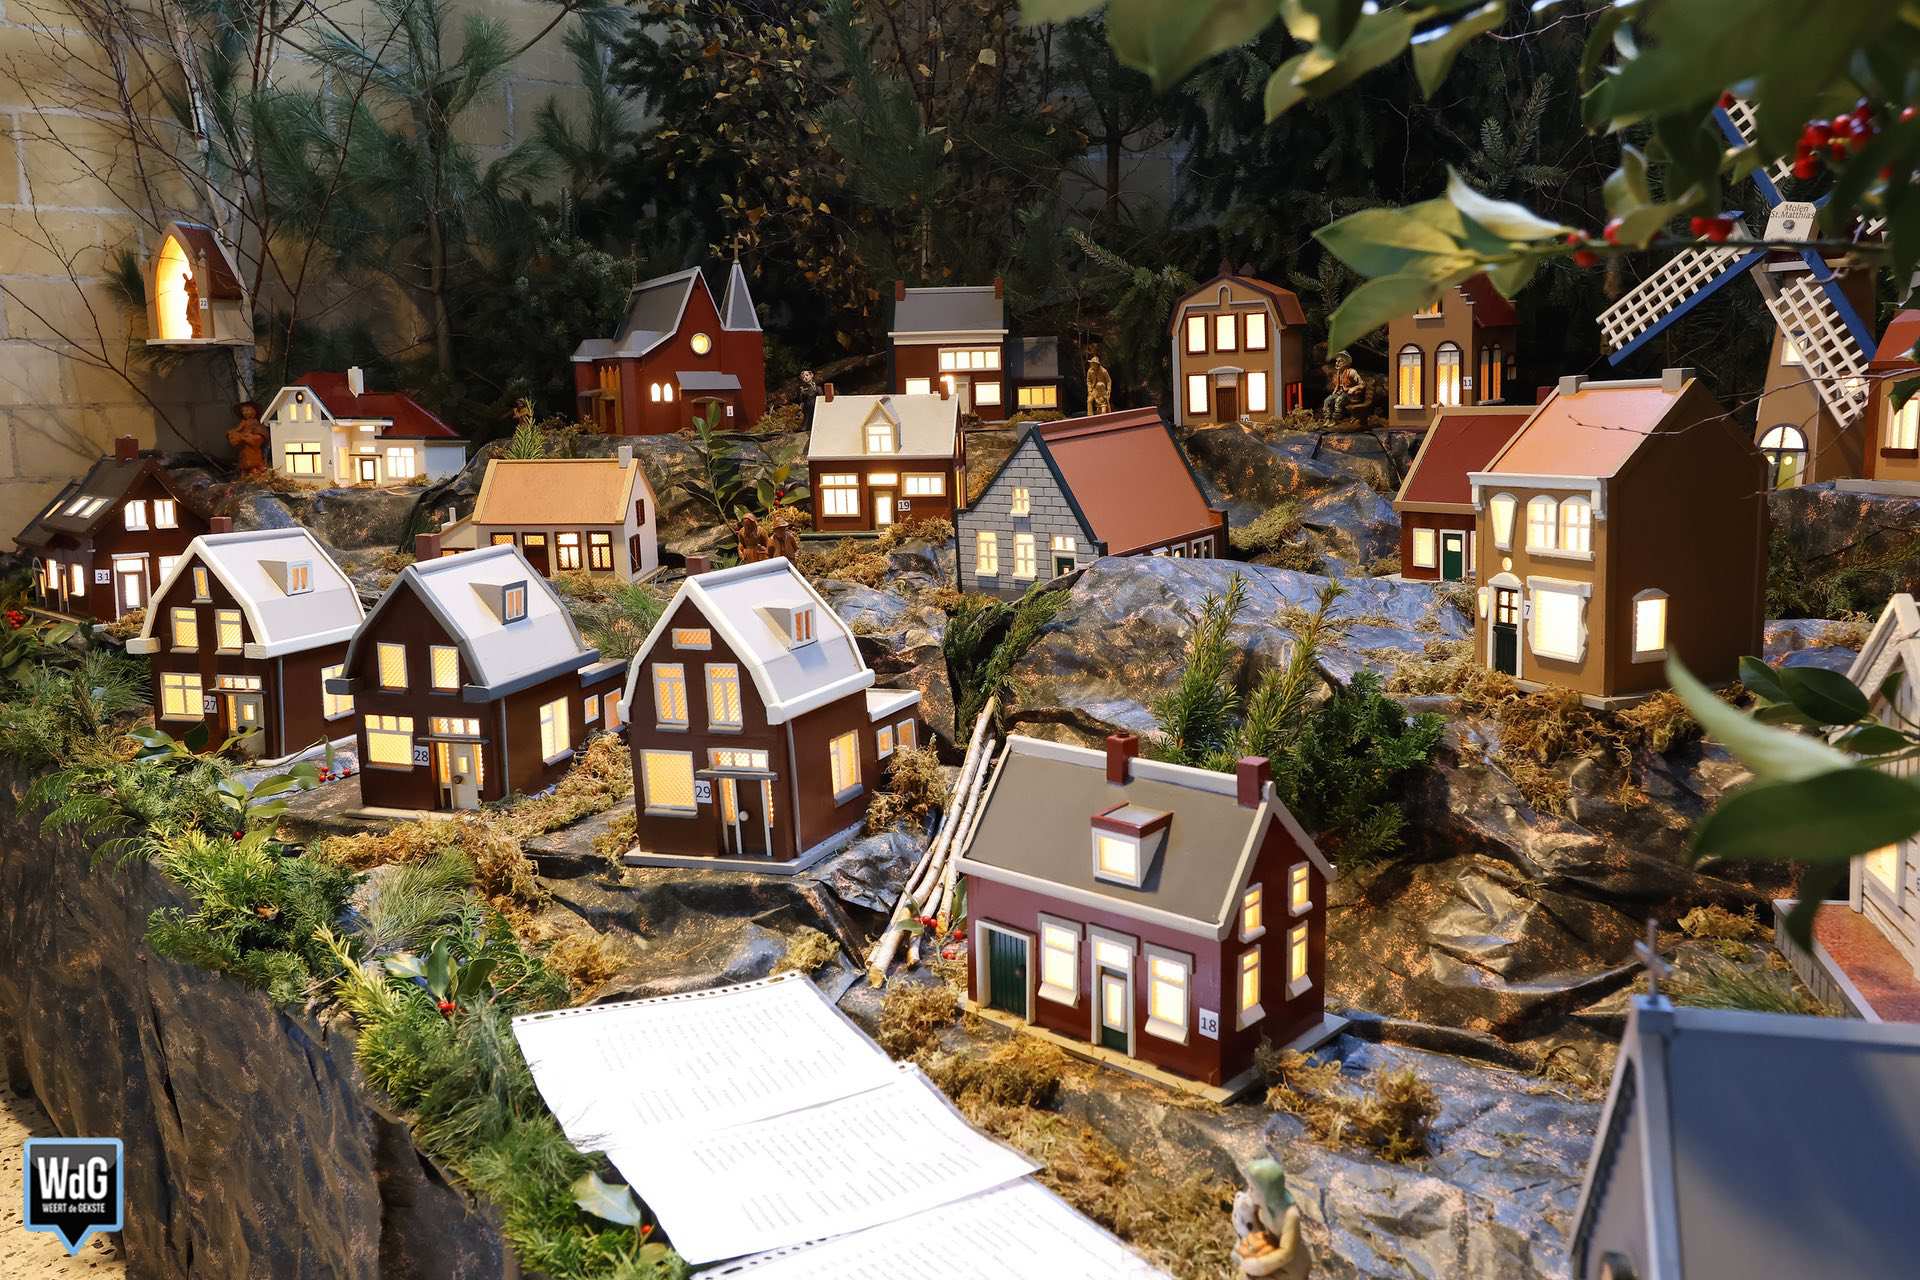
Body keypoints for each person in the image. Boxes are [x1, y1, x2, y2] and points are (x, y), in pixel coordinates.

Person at [1232, 1158, 1311, 1278]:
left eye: (1252, 1188)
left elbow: (1287, 1252)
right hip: (1271, 1250)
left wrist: (1259, 1265)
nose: (1249, 1192)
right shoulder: (1262, 1206)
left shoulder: (1290, 1215)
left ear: (1266, 1191)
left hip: (1290, 1266)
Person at [1321, 351, 1371, 422]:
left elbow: (1362, 384)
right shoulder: (1338, 373)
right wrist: (1333, 394)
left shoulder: (1352, 372)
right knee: (1327, 400)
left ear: (1347, 363)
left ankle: (1335, 420)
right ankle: (1327, 419)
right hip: (1342, 393)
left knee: (1339, 401)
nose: (1337, 363)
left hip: (1351, 395)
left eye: (1340, 361)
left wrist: (1354, 388)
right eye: (1337, 361)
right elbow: (1338, 385)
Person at [227, 401, 267, 474]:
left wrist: (243, 438)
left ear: (254, 411)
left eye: (248, 410)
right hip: (243, 456)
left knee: (255, 470)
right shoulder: (242, 424)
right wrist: (233, 435)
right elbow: (234, 438)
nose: (245, 412)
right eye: (243, 411)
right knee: (244, 469)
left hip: (253, 456)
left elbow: (259, 439)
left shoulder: (257, 425)